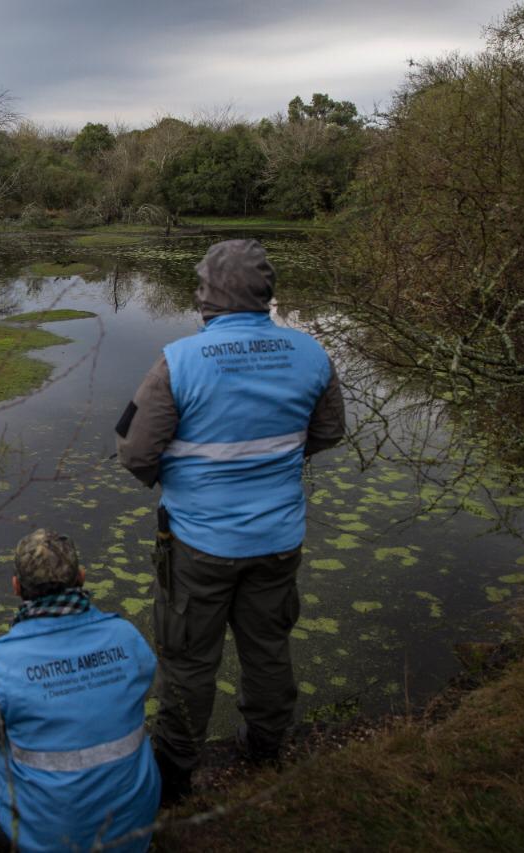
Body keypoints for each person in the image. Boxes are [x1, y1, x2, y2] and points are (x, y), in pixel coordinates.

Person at [115, 238, 345, 802]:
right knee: (267, 647)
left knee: (190, 661)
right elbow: (329, 431)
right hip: (279, 539)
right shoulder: (311, 354)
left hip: (199, 544)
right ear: (265, 292)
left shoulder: (178, 362)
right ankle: (266, 747)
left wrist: (183, 480)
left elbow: (136, 453)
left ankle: (175, 771)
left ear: (207, 295)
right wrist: (275, 466)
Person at [0, 529, 161, 851]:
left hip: (50, 841)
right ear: (81, 577)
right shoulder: (126, 636)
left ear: (16, 587)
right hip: (135, 828)